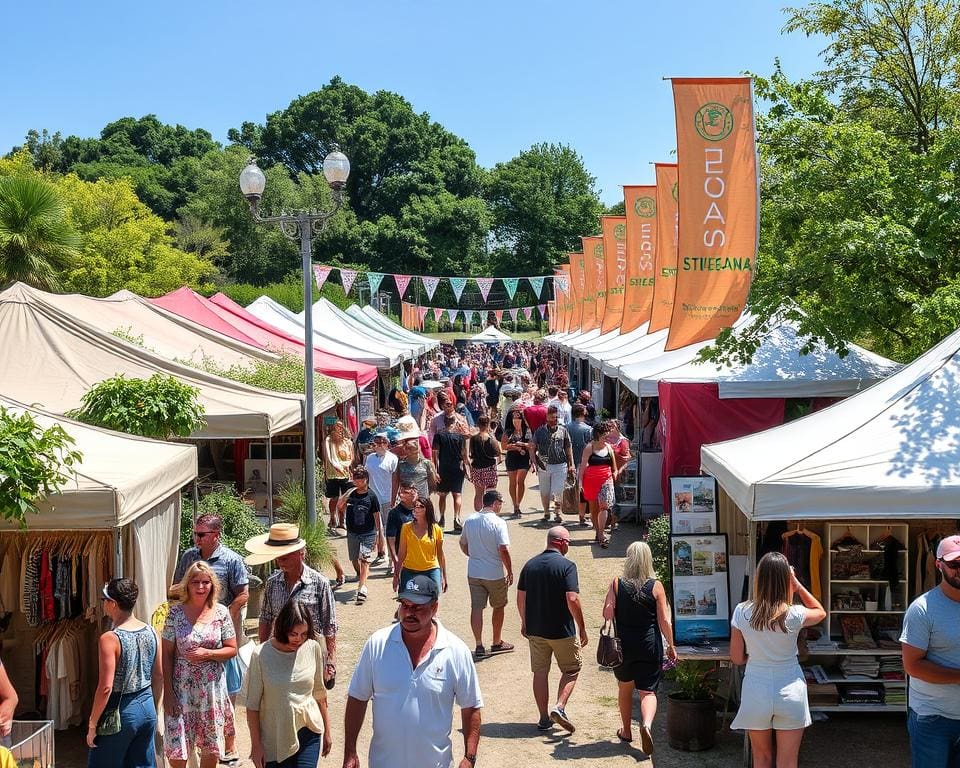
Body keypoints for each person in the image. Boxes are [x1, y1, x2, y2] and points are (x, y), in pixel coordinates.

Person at [343, 574, 482, 768]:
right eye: (405, 606)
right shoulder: (377, 644)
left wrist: (470, 757)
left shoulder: (456, 651)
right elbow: (357, 698)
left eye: (418, 607)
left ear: (435, 608)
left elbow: (471, 707)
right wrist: (350, 752)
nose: (409, 613)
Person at [729, 552, 826, 768]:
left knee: (761, 758)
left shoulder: (742, 612)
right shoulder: (794, 613)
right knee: (788, 760)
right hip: (790, 688)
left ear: (759, 578)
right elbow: (820, 612)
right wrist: (797, 585)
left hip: (756, 687)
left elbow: (736, 658)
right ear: (786, 580)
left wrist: (752, 656)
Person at [172, 513, 249, 758]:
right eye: (195, 533)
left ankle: (229, 742)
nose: (196, 538)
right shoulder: (188, 557)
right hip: (190, 627)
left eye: (201, 534)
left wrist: (222, 617)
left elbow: (243, 593)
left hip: (219, 634)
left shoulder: (231, 560)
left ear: (215, 535)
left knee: (227, 688)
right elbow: (175, 588)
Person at [601, 542, 677, 754]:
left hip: (623, 646)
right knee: (648, 691)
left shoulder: (616, 583)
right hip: (649, 644)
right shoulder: (656, 586)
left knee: (625, 688)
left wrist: (613, 604)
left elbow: (607, 614)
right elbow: (664, 621)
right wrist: (671, 645)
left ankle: (626, 731)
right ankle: (646, 725)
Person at [162, 561, 238, 768]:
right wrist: (167, 693)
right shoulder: (174, 614)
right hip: (181, 690)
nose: (201, 587)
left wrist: (209, 653)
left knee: (210, 747)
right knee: (177, 749)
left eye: (206, 582)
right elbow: (166, 655)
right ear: (187, 584)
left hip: (211, 691)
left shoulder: (221, 613)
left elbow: (232, 649)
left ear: (213, 585)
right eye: (196, 582)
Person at [247, 524, 338, 689]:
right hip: (278, 654)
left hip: (309, 655)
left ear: (300, 553)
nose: (280, 560)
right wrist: (263, 651)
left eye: (285, 556)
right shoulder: (272, 583)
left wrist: (330, 662)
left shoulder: (320, 584)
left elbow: (329, 625)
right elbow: (266, 618)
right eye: (278, 556)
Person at [517, 527, 588, 734]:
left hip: (536, 629)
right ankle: (559, 706)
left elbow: (521, 597)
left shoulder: (530, 565)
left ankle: (542, 718)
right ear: (561, 542)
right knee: (572, 669)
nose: (569, 546)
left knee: (540, 672)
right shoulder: (567, 566)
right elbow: (572, 598)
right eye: (569, 542)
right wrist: (582, 627)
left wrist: (524, 622)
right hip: (562, 630)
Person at [245, 599, 331, 768]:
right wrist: (256, 745)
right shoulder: (260, 654)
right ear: (283, 628)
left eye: (304, 634)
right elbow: (252, 705)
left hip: (309, 730)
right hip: (274, 737)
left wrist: (328, 731)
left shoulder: (313, 647)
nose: (299, 639)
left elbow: (320, 694)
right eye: (293, 634)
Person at [87, 578, 161, 768]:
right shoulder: (151, 631)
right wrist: (155, 706)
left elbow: (105, 687)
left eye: (105, 600)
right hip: (147, 706)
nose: (103, 603)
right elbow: (159, 675)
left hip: (120, 710)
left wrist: (92, 724)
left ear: (113, 603)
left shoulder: (110, 639)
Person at [901, 534, 960, 767]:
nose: (959, 569)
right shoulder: (923, 609)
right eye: (954, 564)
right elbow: (912, 666)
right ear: (939, 565)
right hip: (934, 717)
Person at [460, 489, 515, 661]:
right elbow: (503, 549)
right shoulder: (499, 523)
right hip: (494, 573)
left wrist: (474, 555)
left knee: (476, 608)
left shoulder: (470, 520)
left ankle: (478, 644)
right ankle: (496, 641)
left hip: (474, 571)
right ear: (496, 503)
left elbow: (463, 543)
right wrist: (510, 570)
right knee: (498, 606)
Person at [338, 467, 384, 605]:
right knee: (354, 559)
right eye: (356, 478)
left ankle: (362, 587)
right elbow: (340, 506)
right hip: (352, 532)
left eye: (361, 478)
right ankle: (359, 575)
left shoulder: (372, 496)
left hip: (368, 532)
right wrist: (348, 492)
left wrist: (378, 535)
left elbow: (377, 516)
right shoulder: (350, 494)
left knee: (365, 559)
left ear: (366, 479)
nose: (358, 481)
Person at [393, 496, 448, 594]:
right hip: (410, 570)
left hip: (431, 570)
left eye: (421, 506)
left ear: (428, 509)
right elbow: (401, 553)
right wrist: (396, 575)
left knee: (433, 600)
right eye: (415, 506)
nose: (417, 509)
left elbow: (440, 555)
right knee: (408, 603)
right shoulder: (406, 528)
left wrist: (443, 577)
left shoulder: (436, 529)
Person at [532, 405, 576, 525]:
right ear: (546, 418)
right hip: (544, 465)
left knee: (558, 490)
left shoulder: (563, 430)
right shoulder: (540, 431)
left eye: (556, 418)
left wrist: (571, 464)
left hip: (560, 465)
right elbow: (533, 447)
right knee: (545, 492)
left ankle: (558, 513)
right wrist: (534, 462)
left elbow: (568, 447)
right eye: (551, 418)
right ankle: (546, 512)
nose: (554, 420)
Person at [432, 398, 470, 533]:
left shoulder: (439, 435)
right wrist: (467, 467)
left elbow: (435, 454)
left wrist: (435, 469)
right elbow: (464, 454)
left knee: (442, 495)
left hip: (443, 467)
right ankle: (457, 518)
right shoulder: (459, 437)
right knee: (457, 495)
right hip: (457, 468)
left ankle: (441, 517)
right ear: (454, 422)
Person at [580, 422, 619, 549]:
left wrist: (615, 474)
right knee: (594, 509)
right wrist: (580, 483)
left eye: (608, 436)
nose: (607, 439)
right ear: (597, 435)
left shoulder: (609, 448)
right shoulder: (589, 448)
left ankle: (601, 534)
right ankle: (598, 532)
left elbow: (614, 467)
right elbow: (583, 467)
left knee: (604, 507)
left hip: (606, 480)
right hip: (591, 481)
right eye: (605, 437)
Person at [364, 432, 397, 561]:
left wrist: (394, 498)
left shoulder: (393, 458)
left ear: (387, 443)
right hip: (373, 498)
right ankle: (380, 551)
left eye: (383, 442)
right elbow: (366, 475)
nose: (380, 445)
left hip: (388, 498)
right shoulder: (370, 457)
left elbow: (396, 480)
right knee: (377, 527)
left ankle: (391, 558)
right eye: (377, 442)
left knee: (389, 528)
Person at [391, 423, 438, 502]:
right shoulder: (400, 464)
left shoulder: (426, 463)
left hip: (422, 500)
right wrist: (393, 499)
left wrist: (425, 495)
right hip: (406, 499)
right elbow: (395, 482)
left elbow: (432, 483)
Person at [502, 407, 535, 518]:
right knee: (513, 482)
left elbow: (531, 445)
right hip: (511, 458)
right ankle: (515, 503)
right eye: (514, 417)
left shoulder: (527, 430)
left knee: (521, 481)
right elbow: (503, 446)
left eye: (519, 417)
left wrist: (523, 445)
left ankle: (518, 504)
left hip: (524, 458)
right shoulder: (508, 432)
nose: (516, 420)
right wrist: (516, 447)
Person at [323, 420, 355, 532]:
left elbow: (351, 458)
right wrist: (337, 467)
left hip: (345, 474)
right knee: (334, 498)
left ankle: (342, 521)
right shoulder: (328, 441)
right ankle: (332, 518)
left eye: (341, 427)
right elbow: (329, 457)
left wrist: (346, 466)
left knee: (344, 498)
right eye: (337, 427)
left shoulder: (347, 442)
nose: (339, 429)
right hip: (333, 475)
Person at [467, 414, 502, 512]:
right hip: (489, 468)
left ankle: (479, 513)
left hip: (477, 468)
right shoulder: (491, 438)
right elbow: (498, 452)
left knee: (478, 494)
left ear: (478, 424)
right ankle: (491, 512)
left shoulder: (473, 438)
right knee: (491, 492)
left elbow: (471, 453)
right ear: (488, 424)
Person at [567, 403, 594, 527]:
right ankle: (582, 516)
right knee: (583, 490)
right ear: (583, 413)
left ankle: (562, 511)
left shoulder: (566, 427)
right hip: (584, 463)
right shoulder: (588, 429)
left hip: (568, 462)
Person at [385, 481, 418, 576]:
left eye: (406, 492)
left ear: (415, 493)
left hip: (422, 556)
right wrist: (394, 557)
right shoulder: (394, 513)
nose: (402, 495)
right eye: (401, 492)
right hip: (404, 557)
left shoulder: (423, 508)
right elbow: (391, 537)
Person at [605, 419, 632, 530]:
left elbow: (627, 459)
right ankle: (606, 521)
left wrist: (619, 471)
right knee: (605, 498)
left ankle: (613, 522)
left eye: (612, 425)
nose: (610, 426)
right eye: (608, 424)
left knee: (616, 498)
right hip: (605, 473)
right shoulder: (605, 439)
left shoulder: (623, 441)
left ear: (618, 427)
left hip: (618, 474)